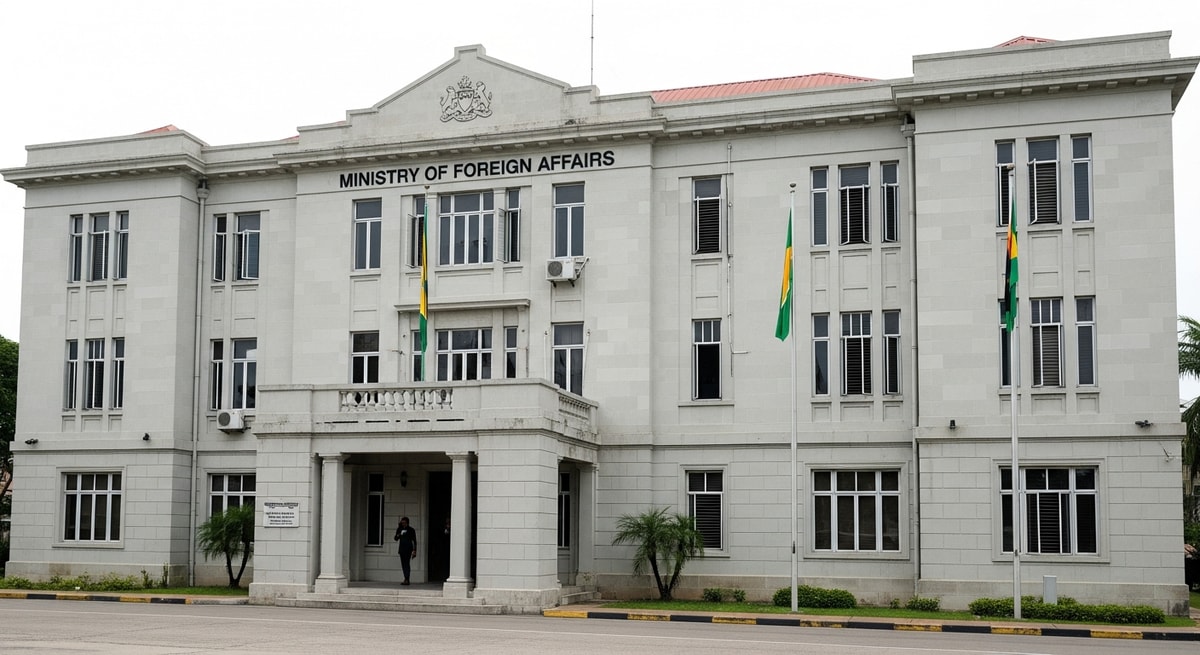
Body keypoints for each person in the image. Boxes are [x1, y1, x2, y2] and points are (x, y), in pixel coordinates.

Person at [394, 516, 417, 585]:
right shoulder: (400, 529)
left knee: (406, 563)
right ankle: (406, 578)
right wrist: (399, 533)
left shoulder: (411, 530)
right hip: (402, 549)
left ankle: (407, 578)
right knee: (403, 564)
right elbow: (395, 538)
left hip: (408, 549)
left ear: (407, 523)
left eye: (404, 523)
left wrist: (414, 550)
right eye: (402, 523)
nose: (403, 524)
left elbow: (414, 541)